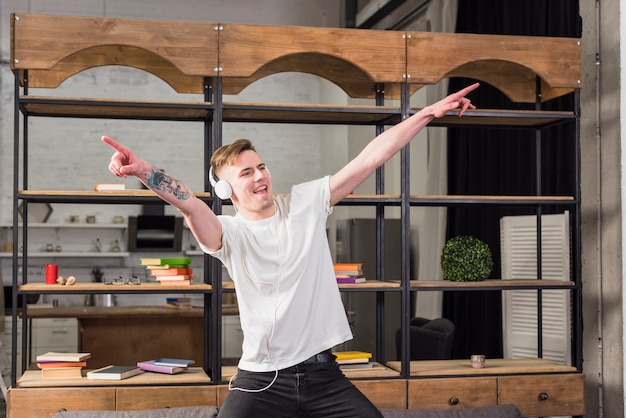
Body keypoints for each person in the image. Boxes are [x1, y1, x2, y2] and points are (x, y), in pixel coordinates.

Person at [103, 82, 479, 417]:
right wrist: (143, 171)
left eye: (261, 167)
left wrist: (427, 113)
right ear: (225, 191)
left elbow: (369, 158)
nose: (260, 176)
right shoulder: (227, 233)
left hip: (323, 375)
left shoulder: (305, 204)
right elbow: (188, 203)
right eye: (246, 173)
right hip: (262, 379)